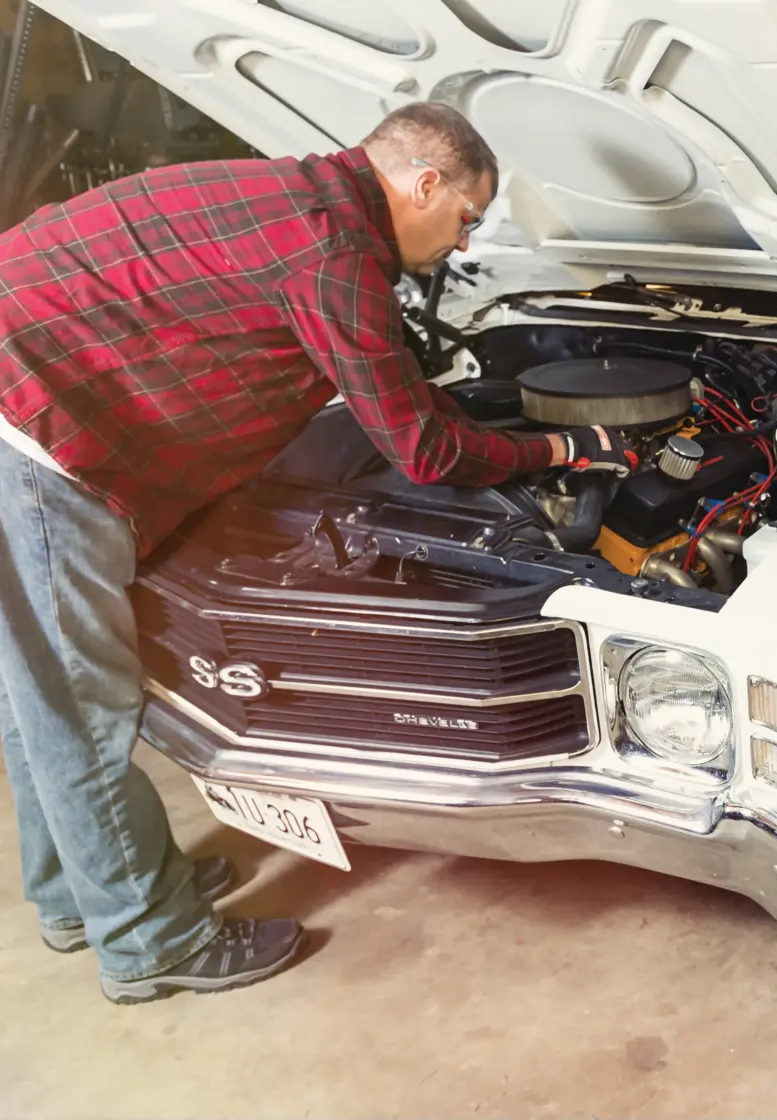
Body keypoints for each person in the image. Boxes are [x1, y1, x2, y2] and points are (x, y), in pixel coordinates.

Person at [0, 103, 633, 1004]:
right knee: (76, 702)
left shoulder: (297, 196)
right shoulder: (334, 256)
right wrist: (563, 452)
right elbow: (425, 452)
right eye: (465, 219)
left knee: (34, 692)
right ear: (423, 183)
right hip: (37, 432)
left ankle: (82, 894)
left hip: (31, 385)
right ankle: (146, 939)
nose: (461, 246)